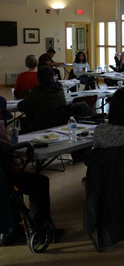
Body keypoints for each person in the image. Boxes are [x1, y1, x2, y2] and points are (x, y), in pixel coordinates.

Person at [0, 100, 64, 244]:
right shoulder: (0, 126)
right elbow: (9, 157)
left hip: (3, 178)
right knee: (40, 182)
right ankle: (41, 228)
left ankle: (13, 228)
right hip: (4, 178)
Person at [17, 66, 67, 133]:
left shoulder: (38, 91)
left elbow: (22, 107)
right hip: (60, 125)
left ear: (39, 78)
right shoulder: (60, 89)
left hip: (42, 127)